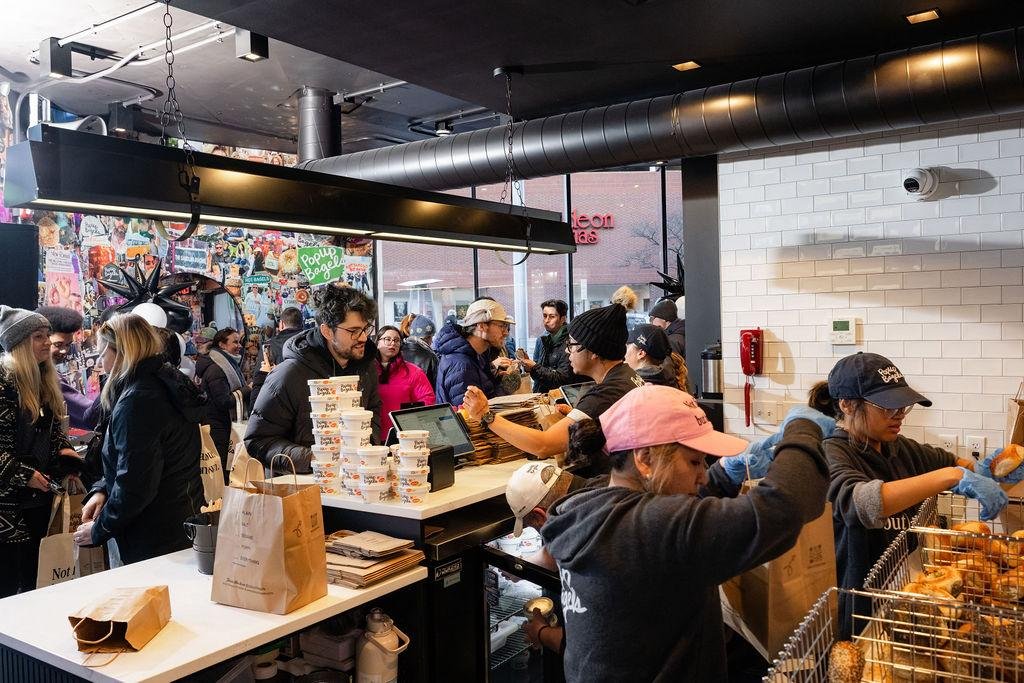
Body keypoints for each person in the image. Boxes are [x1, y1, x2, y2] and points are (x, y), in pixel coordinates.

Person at [539, 384, 828, 682]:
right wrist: (803, 431)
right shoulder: (652, 528)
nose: (702, 475)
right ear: (645, 459)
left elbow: (669, 518)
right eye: (694, 462)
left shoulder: (596, 504)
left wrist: (725, 473)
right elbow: (784, 508)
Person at [823, 352, 1007, 630]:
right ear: (847, 405)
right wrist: (951, 476)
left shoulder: (900, 448)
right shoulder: (831, 453)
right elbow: (860, 502)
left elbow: (957, 465)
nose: (899, 415)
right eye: (887, 407)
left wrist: (988, 470)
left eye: (903, 407)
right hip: (863, 603)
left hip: (909, 589)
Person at [72, 314, 204, 565]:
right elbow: (133, 463)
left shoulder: (138, 399)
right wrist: (102, 489)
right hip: (180, 521)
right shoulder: (164, 381)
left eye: (103, 353)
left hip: (153, 538)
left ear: (121, 352)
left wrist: (99, 529)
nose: (101, 362)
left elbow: (136, 484)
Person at [461, 299, 644, 476]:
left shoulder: (607, 392)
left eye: (571, 345)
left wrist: (487, 415)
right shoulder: (627, 376)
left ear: (594, 351)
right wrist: (577, 416)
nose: (567, 351)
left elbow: (544, 446)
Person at [245, 286, 383, 473]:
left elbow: (373, 412)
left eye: (366, 328)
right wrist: (315, 459)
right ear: (327, 331)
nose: (364, 337)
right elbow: (257, 442)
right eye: (354, 331)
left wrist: (367, 444)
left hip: (356, 488)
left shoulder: (366, 369)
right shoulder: (289, 374)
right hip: (304, 492)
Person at [0, 307, 79, 597]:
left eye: (47, 335)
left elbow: (53, 430)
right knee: (9, 589)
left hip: (38, 500)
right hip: (8, 505)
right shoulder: (3, 381)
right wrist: (23, 474)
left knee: (38, 580)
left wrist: (66, 451)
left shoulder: (43, 380)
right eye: (38, 336)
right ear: (19, 342)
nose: (47, 342)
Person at [433, 299, 517, 406]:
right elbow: (473, 416)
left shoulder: (476, 356)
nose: (505, 332)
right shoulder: (462, 366)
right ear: (481, 326)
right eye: (502, 326)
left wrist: (497, 379)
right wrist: (504, 388)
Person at [36, 305, 101, 430]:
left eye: (68, 345)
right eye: (58, 344)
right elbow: (90, 417)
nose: (64, 351)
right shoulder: (48, 379)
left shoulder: (48, 375)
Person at [195, 328, 249, 471]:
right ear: (222, 345)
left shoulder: (226, 364)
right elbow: (223, 401)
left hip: (221, 425)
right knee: (223, 468)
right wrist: (247, 390)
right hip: (218, 427)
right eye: (235, 342)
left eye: (239, 342)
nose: (239, 346)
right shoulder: (217, 369)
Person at [375, 326, 435, 441]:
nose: (392, 343)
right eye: (387, 339)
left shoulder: (414, 372)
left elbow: (427, 400)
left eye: (396, 340)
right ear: (377, 342)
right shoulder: (367, 372)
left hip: (403, 436)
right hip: (370, 435)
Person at [519, 299, 588, 394]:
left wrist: (534, 367)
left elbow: (562, 379)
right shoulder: (543, 339)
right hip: (543, 397)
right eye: (544, 316)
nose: (547, 320)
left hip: (564, 398)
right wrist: (530, 368)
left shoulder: (571, 341)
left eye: (552, 317)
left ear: (563, 319)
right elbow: (540, 377)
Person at [624, 323, 688, 390]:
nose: (624, 352)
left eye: (627, 346)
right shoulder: (672, 378)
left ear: (641, 353)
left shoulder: (632, 386)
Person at [399, 314, 439, 389]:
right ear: (427, 337)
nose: (432, 342)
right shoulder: (430, 356)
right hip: (423, 398)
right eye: (431, 337)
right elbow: (435, 385)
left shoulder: (398, 352)